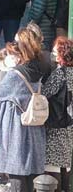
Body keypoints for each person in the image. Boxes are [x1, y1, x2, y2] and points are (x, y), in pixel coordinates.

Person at [0, 41, 47, 190]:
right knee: (30, 176)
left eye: (10, 54)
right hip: (34, 127)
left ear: (17, 57)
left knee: (17, 174)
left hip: (16, 128)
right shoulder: (36, 72)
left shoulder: (15, 75)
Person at [43, 37, 73, 190]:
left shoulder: (59, 74)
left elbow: (45, 93)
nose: (53, 53)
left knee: (53, 164)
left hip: (57, 124)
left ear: (62, 53)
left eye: (55, 51)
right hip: (70, 126)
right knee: (65, 164)